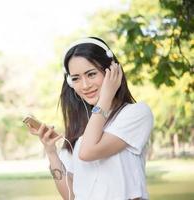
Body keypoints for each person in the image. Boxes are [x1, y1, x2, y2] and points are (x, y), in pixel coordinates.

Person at [28, 37, 154, 200]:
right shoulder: (80, 128)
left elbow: (87, 152)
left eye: (91, 74)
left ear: (112, 71)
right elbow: (70, 195)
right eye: (76, 78)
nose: (85, 85)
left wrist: (106, 97)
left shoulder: (136, 113)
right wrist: (51, 153)